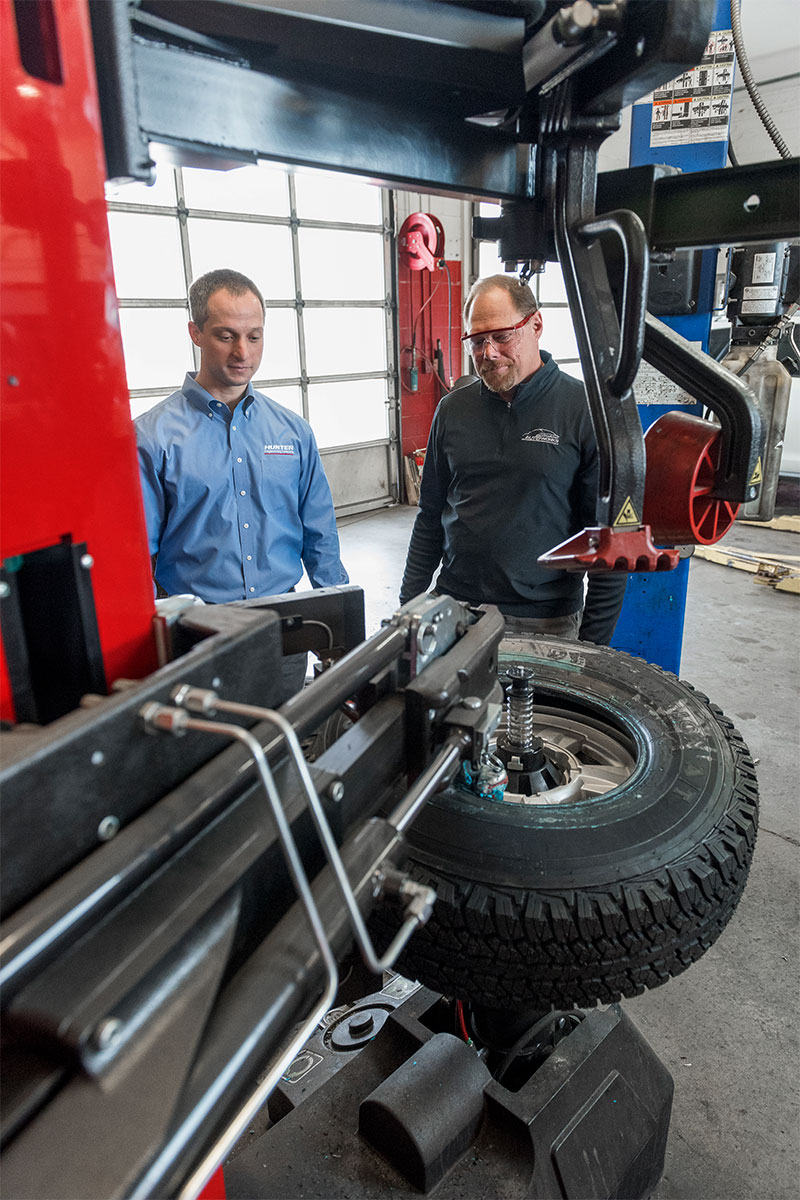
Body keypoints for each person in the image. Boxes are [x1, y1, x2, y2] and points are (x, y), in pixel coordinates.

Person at [399, 274, 626, 643]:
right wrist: (408, 605)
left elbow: (608, 541)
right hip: (455, 609)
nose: (489, 353)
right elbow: (430, 516)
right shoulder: (452, 410)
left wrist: (592, 649)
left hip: (545, 621)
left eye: (502, 336)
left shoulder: (584, 410)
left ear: (536, 325)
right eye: (477, 341)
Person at [136, 268, 348, 604]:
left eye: (254, 337)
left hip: (284, 615)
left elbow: (320, 532)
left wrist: (339, 605)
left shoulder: (293, 432)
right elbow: (136, 554)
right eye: (226, 336)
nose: (242, 353)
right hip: (198, 623)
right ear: (195, 333)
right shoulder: (151, 438)